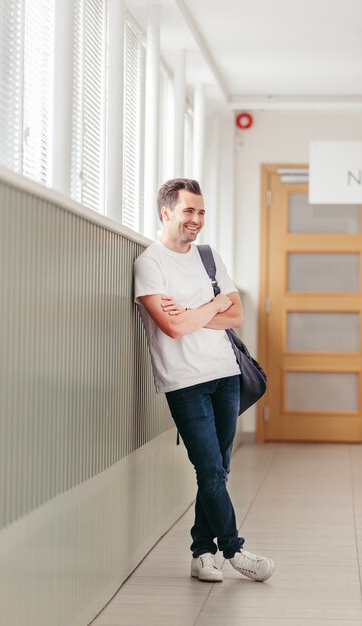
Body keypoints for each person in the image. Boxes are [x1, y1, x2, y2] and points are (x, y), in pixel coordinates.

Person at [133, 178, 275, 583]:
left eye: (201, 212)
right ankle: (235, 550)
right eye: (188, 211)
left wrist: (196, 311)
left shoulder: (209, 258)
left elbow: (235, 316)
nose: (196, 220)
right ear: (166, 212)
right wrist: (212, 304)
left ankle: (201, 553)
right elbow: (172, 329)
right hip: (184, 381)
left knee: (218, 471)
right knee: (209, 469)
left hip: (225, 375)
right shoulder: (150, 264)